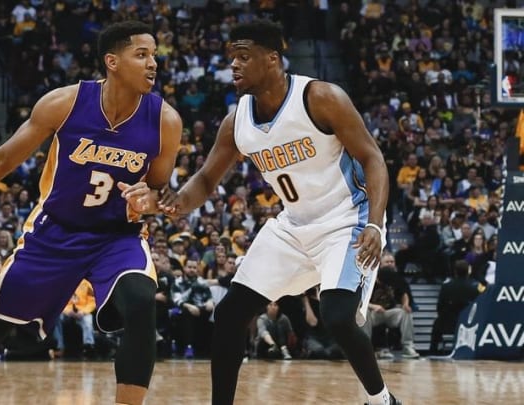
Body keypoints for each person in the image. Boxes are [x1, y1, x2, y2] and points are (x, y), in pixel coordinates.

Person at [0, 20, 181, 405]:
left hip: (116, 237)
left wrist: (149, 200)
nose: (153, 63)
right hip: (54, 232)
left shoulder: (165, 121)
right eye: (142, 54)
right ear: (112, 61)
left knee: (140, 301)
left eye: (154, 55)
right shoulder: (64, 103)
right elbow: (3, 159)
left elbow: (158, 190)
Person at [158, 20, 400, 405]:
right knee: (230, 314)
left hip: (345, 221)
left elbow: (373, 158)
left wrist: (374, 221)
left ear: (272, 59)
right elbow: (205, 180)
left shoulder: (321, 97)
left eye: (243, 56)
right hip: (293, 225)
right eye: (231, 58)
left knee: (336, 316)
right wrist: (173, 202)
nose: (233, 66)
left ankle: (382, 399)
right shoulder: (236, 120)